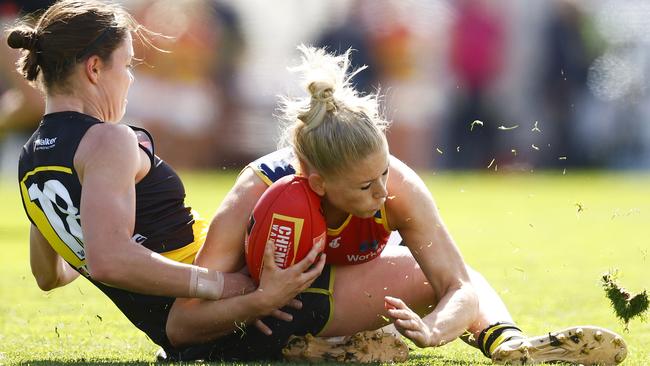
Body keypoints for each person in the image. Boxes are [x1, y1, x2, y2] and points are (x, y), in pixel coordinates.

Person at [166, 45, 628, 365]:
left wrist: (434, 332)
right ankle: (338, 340)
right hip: (259, 319)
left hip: (321, 303)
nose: (384, 193)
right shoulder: (257, 190)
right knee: (415, 272)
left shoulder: (397, 184)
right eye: (366, 186)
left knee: (448, 274)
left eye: (385, 172)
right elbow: (183, 326)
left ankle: (505, 342)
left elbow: (458, 285)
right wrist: (262, 298)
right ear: (317, 181)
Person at [12, 0, 325, 358]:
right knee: (309, 158)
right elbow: (109, 259)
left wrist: (93, 249)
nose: (130, 79)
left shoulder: (30, 159)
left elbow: (49, 275)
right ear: (95, 68)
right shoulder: (106, 140)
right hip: (231, 300)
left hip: (197, 320)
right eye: (127, 65)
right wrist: (221, 284)